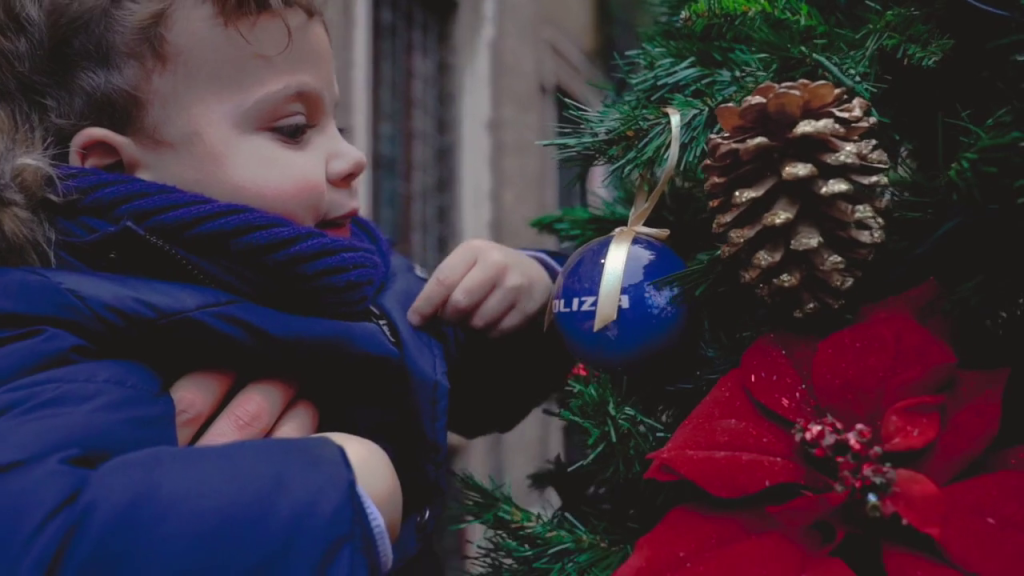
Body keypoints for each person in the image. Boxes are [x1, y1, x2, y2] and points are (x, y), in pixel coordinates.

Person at [0, 0, 571, 574]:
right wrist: (345, 493)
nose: (352, 157)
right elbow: (42, 538)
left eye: (337, 126)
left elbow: (458, 374)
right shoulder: (50, 326)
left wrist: (537, 290)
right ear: (110, 168)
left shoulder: (336, 273)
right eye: (294, 129)